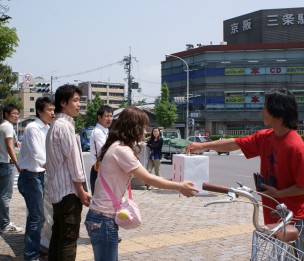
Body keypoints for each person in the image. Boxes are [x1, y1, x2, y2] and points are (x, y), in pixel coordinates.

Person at [185, 88, 304, 250]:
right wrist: (203, 145)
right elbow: (235, 143)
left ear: (278, 112)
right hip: (274, 216)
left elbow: (302, 186)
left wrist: (279, 193)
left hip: (295, 219)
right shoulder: (265, 137)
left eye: (265, 108)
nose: (262, 112)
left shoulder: (296, 146)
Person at [85, 106, 199, 261]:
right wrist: (179, 186)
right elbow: (148, 179)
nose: (146, 131)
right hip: (104, 219)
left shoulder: (116, 146)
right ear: (135, 127)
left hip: (99, 216)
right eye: (144, 126)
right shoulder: (122, 150)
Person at [46, 84, 91, 261]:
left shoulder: (55, 125)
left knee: (58, 236)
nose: (79, 104)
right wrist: (81, 191)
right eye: (75, 100)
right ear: (63, 103)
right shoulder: (64, 127)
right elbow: (74, 163)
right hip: (68, 193)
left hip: (58, 192)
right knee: (68, 239)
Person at [17, 97, 55, 261]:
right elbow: (39, 155)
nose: (53, 113)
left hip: (39, 176)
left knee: (39, 217)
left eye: (54, 109)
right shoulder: (33, 128)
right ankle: (31, 256)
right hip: (31, 177)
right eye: (49, 110)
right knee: (36, 217)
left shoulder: (47, 128)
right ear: (39, 111)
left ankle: (36, 250)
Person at [0, 104, 23, 234]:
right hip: (7, 164)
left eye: (17, 113)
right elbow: (9, 147)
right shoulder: (8, 127)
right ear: (6, 114)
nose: (16, 116)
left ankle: (2, 222)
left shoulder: (2, 126)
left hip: (1, 163)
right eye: (13, 113)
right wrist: (17, 164)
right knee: (5, 196)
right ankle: (5, 224)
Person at [89, 105, 113, 195]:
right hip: (99, 171)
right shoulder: (98, 132)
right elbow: (104, 151)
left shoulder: (105, 131)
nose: (109, 119)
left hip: (103, 170)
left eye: (111, 116)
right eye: (106, 116)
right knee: (100, 201)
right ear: (99, 117)